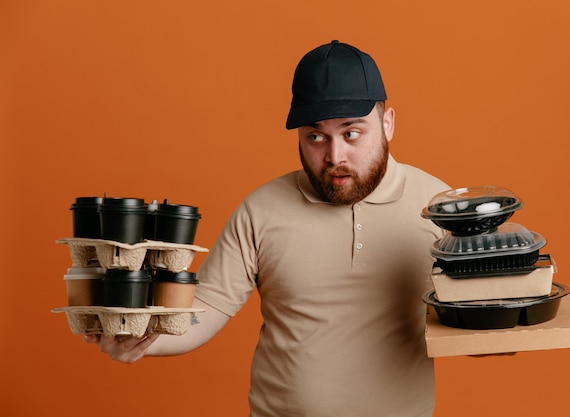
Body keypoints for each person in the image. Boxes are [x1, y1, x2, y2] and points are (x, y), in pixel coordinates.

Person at [86, 40, 450, 417]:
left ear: (387, 123)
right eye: (315, 136)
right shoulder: (261, 210)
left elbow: (470, 309)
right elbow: (206, 308)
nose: (334, 156)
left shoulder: (439, 208)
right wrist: (137, 338)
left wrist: (497, 328)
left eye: (351, 133)